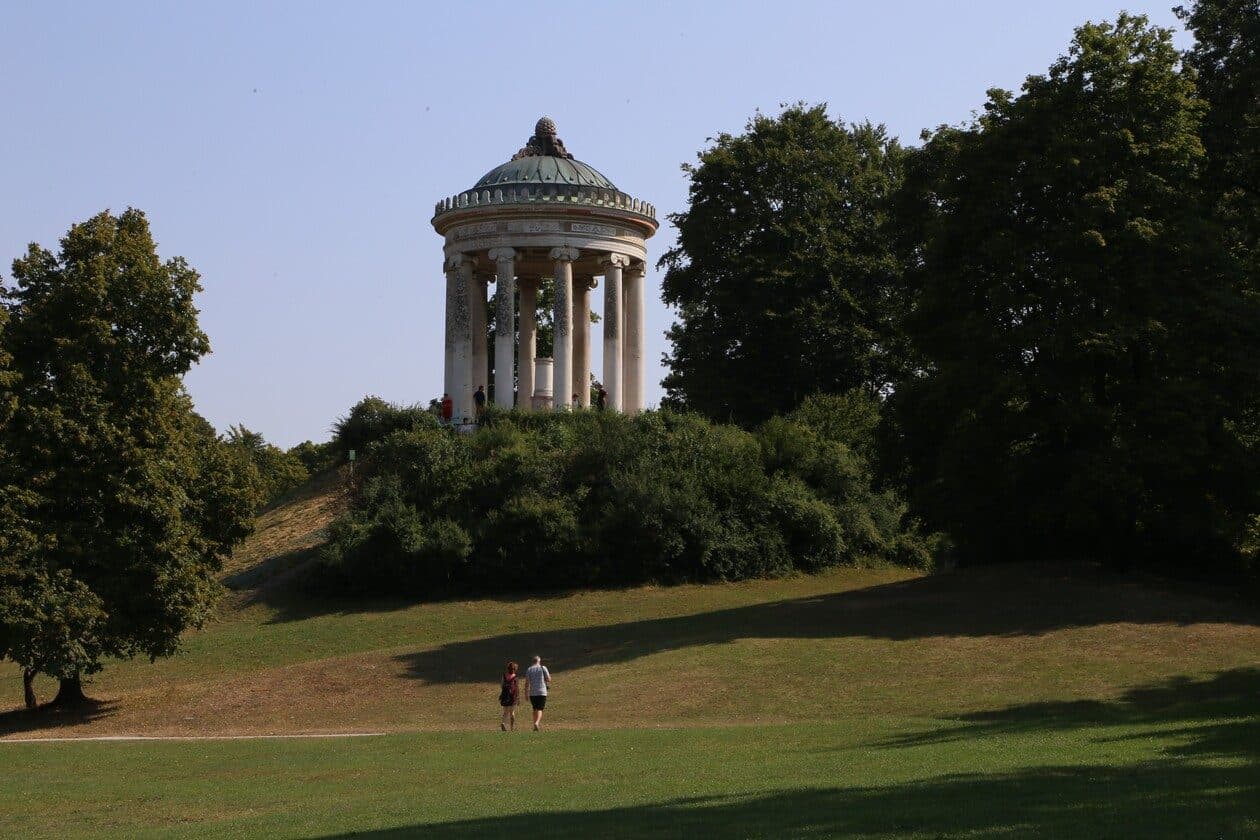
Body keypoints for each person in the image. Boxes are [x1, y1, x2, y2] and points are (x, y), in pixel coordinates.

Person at [523, 655, 551, 731]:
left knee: (534, 708)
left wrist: (526, 693)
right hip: (542, 691)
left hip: (532, 693)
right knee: (540, 709)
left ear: (533, 661)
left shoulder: (529, 669)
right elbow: (548, 679)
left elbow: (527, 683)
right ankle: (537, 723)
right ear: (539, 661)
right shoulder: (543, 668)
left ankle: (534, 725)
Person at [499, 661, 519, 731]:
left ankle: (503, 723)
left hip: (505, 695)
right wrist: (518, 697)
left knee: (505, 712)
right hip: (512, 696)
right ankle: (512, 728)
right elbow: (516, 688)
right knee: (512, 712)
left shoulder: (504, 675)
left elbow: (501, 685)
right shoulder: (515, 677)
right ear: (514, 669)